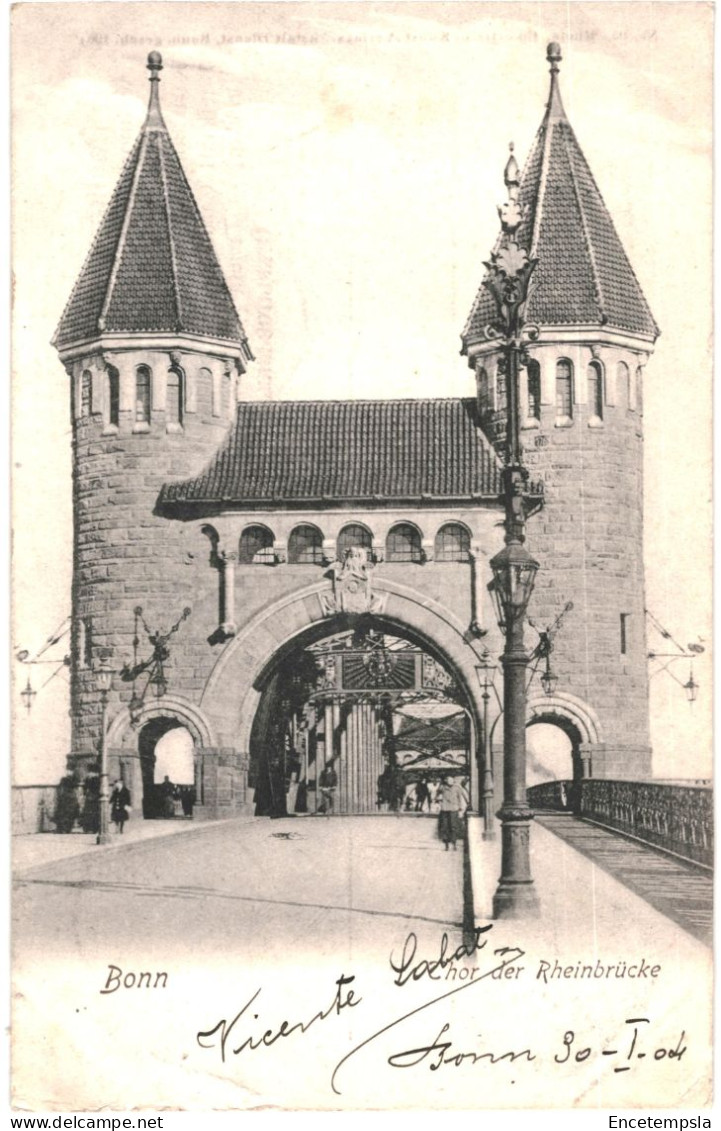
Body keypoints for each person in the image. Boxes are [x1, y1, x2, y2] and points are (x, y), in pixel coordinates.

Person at [437, 777, 466, 850]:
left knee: (453, 826)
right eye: (448, 780)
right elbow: (437, 795)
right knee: (445, 827)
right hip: (445, 809)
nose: (450, 782)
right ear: (446, 781)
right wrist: (439, 802)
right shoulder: (442, 787)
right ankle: (446, 844)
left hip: (454, 809)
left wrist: (460, 807)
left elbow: (460, 797)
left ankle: (454, 844)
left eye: (451, 780)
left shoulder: (457, 788)